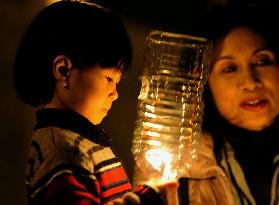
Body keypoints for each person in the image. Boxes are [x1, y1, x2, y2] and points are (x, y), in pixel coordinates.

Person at [13, 1, 178, 204]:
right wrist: (147, 199)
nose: (115, 94)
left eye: (117, 83)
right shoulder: (62, 150)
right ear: (64, 71)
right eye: (109, 79)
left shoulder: (82, 143)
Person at [180, 2, 279, 205]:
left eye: (262, 61)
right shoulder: (180, 171)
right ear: (204, 84)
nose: (250, 83)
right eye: (230, 68)